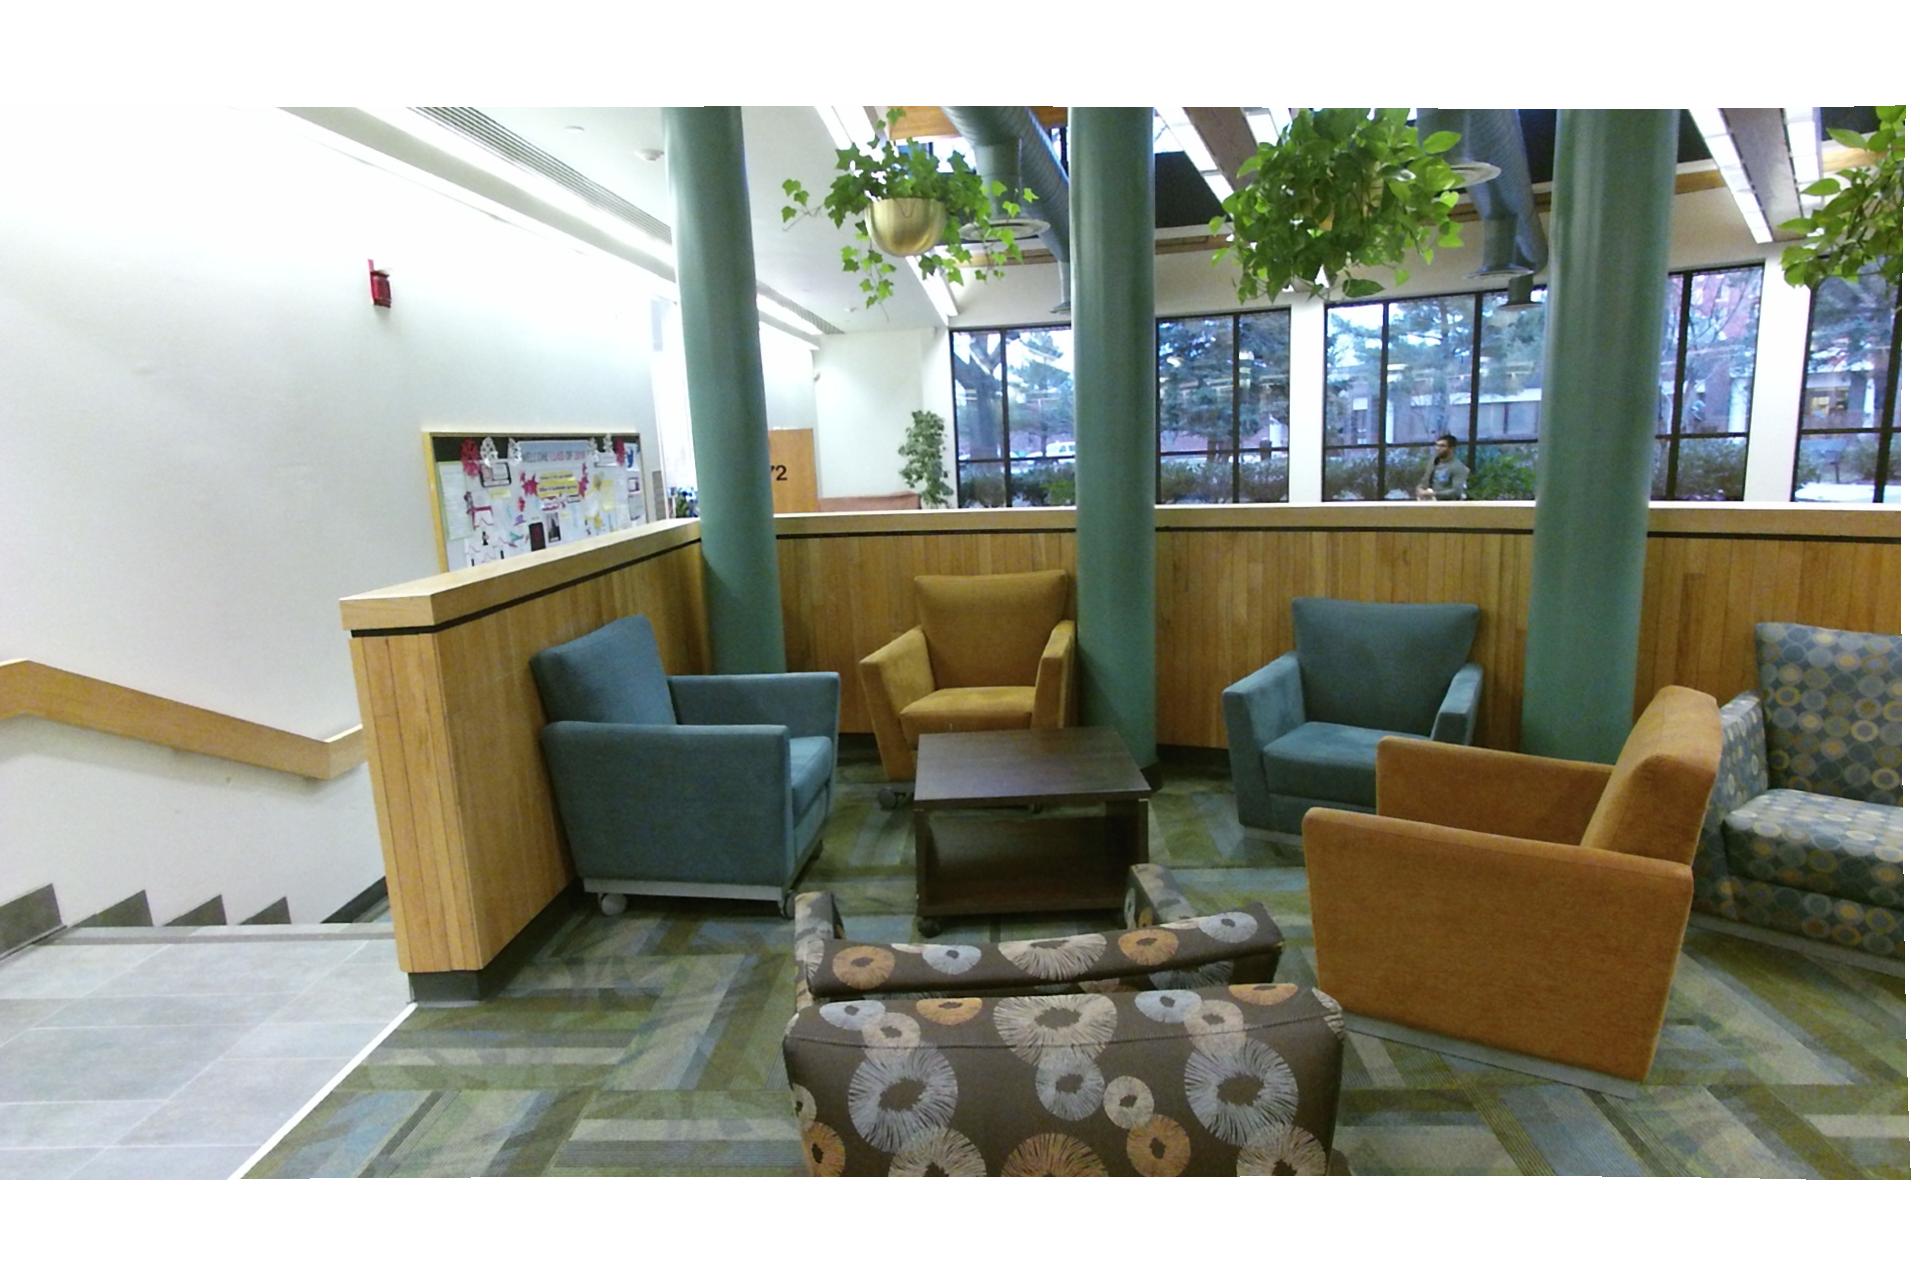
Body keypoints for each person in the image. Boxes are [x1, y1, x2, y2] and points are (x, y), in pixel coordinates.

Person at [1416, 434, 1470, 500]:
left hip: (1446, 503)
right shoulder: (1433, 461)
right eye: (1437, 445)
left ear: (1451, 448)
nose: (1438, 448)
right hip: (1429, 501)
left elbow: (1457, 492)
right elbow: (1425, 480)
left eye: (1442, 446)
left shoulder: (1458, 467)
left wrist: (1435, 494)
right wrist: (1420, 489)